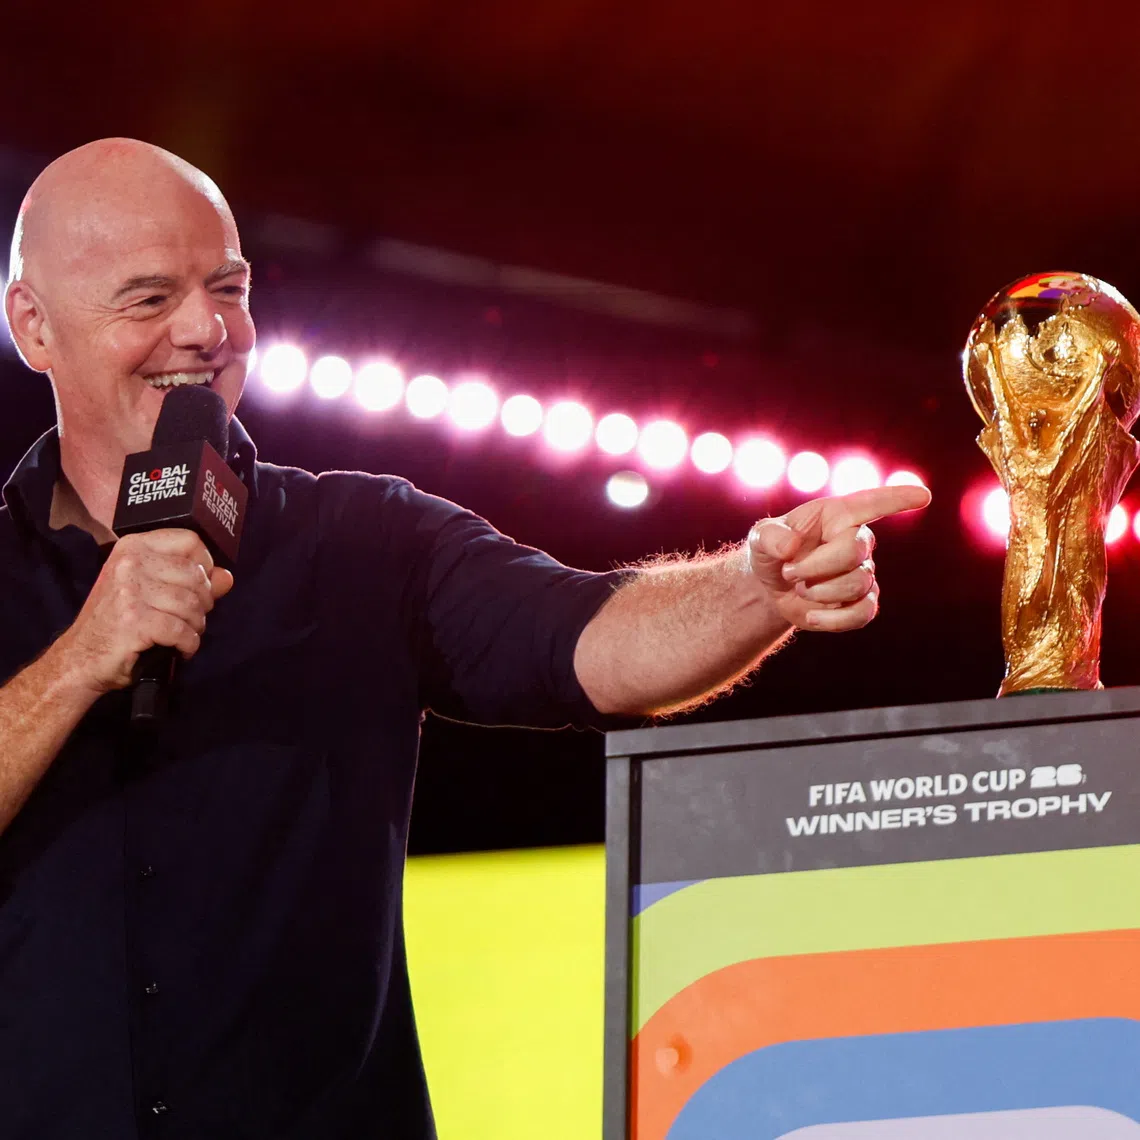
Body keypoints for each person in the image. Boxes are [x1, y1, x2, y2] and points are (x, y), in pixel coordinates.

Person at [0, 139, 930, 1138]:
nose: (205, 329)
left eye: (228, 287)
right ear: (34, 325)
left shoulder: (364, 541)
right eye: (148, 300)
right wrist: (80, 661)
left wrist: (756, 585)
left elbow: (590, 643)